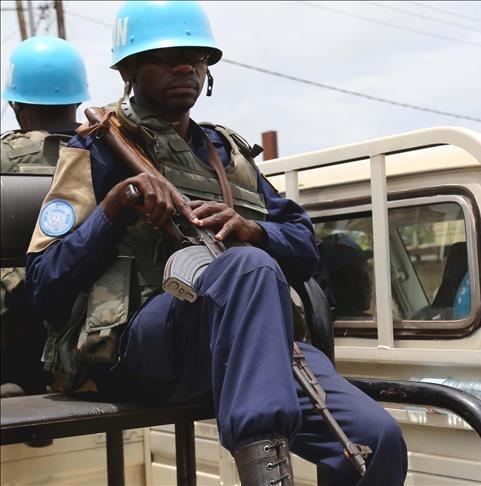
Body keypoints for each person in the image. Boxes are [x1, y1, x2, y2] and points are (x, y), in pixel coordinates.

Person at [25, 2, 407, 485]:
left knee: (375, 440)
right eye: (167, 58)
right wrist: (117, 205)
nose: (186, 68)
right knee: (248, 267)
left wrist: (253, 230)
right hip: (138, 351)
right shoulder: (97, 149)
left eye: (197, 57)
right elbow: (44, 285)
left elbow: (304, 247)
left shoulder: (229, 156)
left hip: (248, 347)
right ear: (129, 70)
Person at [1, 36, 90, 398]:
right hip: (91, 320)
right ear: (77, 101)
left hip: (20, 325)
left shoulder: (5, 156)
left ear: (17, 105)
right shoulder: (105, 153)